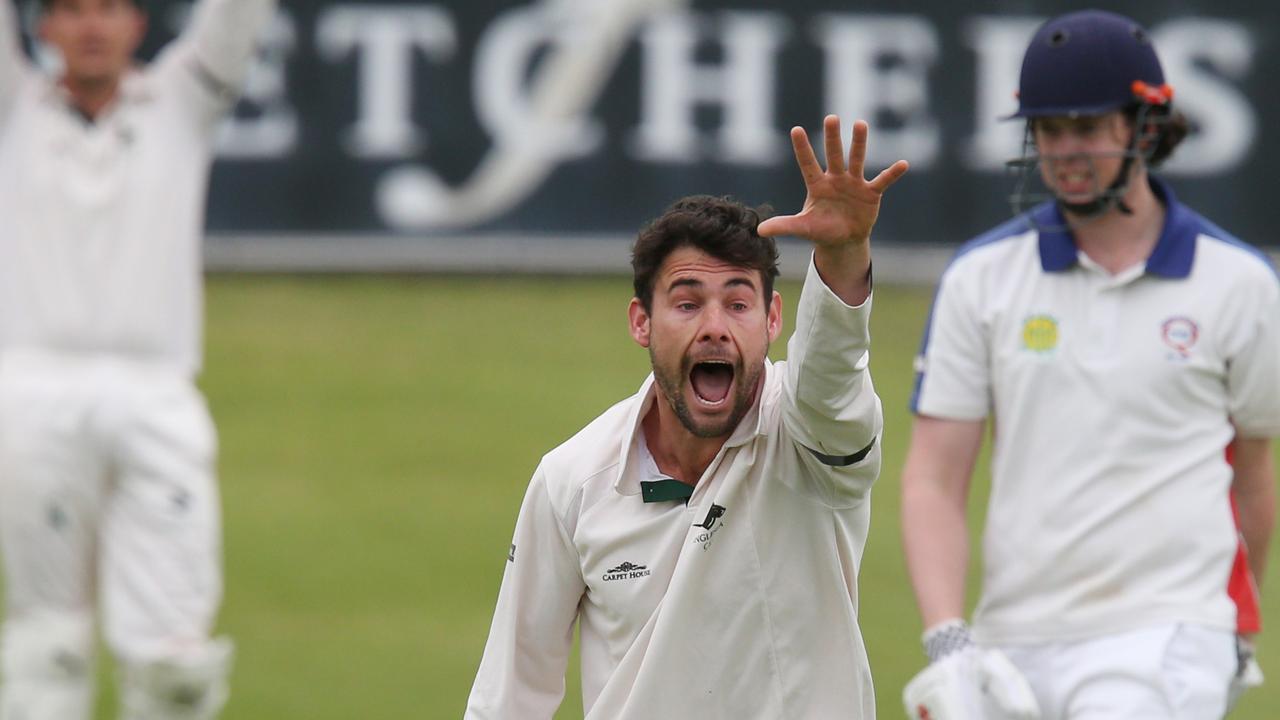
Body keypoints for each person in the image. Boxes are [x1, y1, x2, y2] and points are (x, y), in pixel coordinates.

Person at [901, 9, 1279, 720]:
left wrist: (1234, 634)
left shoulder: (1239, 283)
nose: (1065, 150)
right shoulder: (982, 276)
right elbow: (933, 477)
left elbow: (1253, 476)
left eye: (1086, 126)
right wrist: (950, 639)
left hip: (1168, 629)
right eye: (1048, 130)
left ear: (1144, 124)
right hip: (1014, 634)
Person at [464, 115, 908, 719]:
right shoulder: (573, 479)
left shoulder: (810, 438)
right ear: (641, 322)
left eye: (738, 302)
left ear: (773, 320)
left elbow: (832, 375)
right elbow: (510, 694)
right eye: (687, 302)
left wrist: (844, 255)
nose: (716, 327)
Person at [0, 0, 274, 717]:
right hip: (34, 393)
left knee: (175, 666)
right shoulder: (12, 106)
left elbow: (238, 17)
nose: (92, 26)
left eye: (109, 9)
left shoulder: (182, 100)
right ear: (44, 27)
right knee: (46, 650)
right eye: (72, 9)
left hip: (158, 396)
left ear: (138, 25)